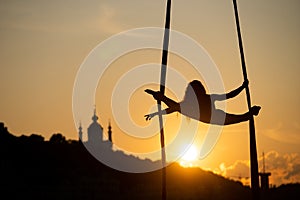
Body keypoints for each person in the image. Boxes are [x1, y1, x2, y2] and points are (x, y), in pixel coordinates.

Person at [144, 80, 261, 125]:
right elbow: (172, 108)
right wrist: (156, 114)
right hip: (215, 119)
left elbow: (229, 96)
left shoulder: (207, 98)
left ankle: (252, 112)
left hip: (218, 117)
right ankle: (251, 112)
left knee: (243, 117)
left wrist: (242, 87)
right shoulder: (188, 106)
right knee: (244, 117)